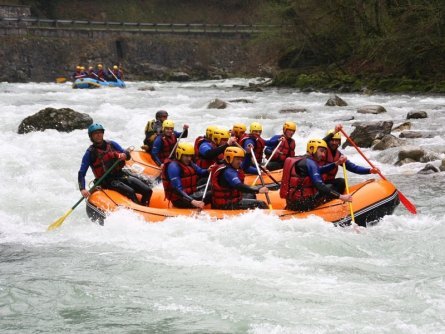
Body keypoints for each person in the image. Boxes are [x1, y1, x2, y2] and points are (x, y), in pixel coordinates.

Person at [78, 123, 153, 206]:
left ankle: (145, 207)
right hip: (106, 181)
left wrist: (125, 155)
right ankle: (138, 210)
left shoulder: (111, 144)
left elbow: (126, 153)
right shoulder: (90, 153)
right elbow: (82, 172)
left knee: (147, 190)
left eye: (100, 132)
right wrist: (82, 189)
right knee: (130, 192)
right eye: (95, 134)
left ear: (103, 133)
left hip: (120, 175)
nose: (98, 135)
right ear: (91, 136)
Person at [280, 139, 351, 212]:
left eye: (324, 152)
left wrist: (337, 163)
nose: (323, 155)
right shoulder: (311, 163)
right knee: (338, 183)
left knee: (335, 183)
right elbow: (319, 185)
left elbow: (319, 170)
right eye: (321, 151)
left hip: (291, 203)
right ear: (312, 149)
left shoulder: (301, 160)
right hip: (304, 205)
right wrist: (341, 196)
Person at [161, 142, 210, 209]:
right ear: (179, 154)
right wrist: (193, 201)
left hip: (190, 194)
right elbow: (177, 189)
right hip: (180, 200)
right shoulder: (173, 167)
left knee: (210, 186)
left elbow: (201, 172)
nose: (189, 158)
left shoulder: (189, 163)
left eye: (190, 156)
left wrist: (208, 170)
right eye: (186, 156)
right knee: (212, 194)